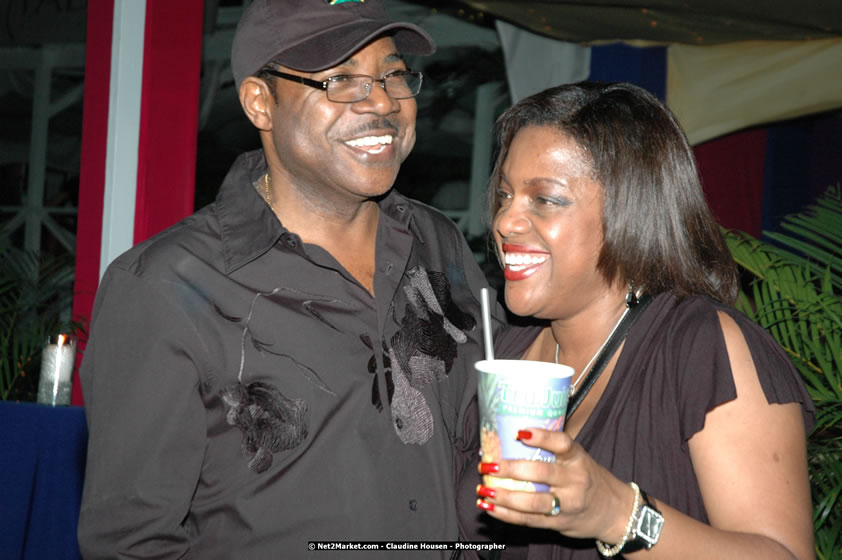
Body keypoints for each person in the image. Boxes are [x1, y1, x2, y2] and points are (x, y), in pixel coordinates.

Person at [77, 1, 534, 557]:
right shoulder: (167, 288)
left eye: (393, 73)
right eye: (341, 79)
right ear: (259, 103)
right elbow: (131, 545)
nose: (384, 101)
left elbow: (497, 416)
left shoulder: (438, 243)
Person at [460, 82, 815, 559]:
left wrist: (616, 514)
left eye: (545, 199)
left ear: (630, 212)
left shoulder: (700, 348)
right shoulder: (505, 352)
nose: (505, 221)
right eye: (505, 195)